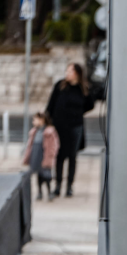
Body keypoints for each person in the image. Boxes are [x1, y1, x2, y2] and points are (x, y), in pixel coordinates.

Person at [45, 62, 97, 198]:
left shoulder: (83, 89)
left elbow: (90, 105)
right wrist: (47, 122)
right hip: (59, 126)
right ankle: (57, 186)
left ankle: (69, 187)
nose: (67, 74)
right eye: (66, 71)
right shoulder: (60, 85)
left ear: (77, 74)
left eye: (70, 71)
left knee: (72, 156)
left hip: (75, 126)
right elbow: (51, 104)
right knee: (60, 156)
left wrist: (77, 113)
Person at [21, 112, 59, 201]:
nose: (33, 121)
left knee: (46, 175)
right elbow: (30, 145)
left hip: (44, 156)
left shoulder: (49, 132)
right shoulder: (35, 131)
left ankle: (49, 192)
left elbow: (53, 146)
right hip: (36, 155)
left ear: (42, 120)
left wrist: (50, 156)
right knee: (38, 175)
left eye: (35, 119)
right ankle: (39, 192)